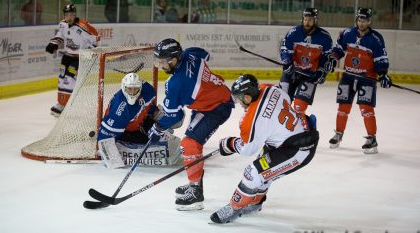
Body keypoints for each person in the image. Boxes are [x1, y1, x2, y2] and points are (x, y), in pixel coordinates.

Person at [210, 74, 319, 224]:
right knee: (263, 169)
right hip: (295, 134)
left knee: (253, 174)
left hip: (298, 149)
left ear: (247, 97)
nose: (239, 102)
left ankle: (234, 207)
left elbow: (248, 149)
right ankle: (255, 202)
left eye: (240, 98)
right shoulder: (268, 88)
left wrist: (229, 144)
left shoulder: (250, 119)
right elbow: (285, 99)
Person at [148, 38, 234, 211]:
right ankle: (195, 185)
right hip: (209, 101)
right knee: (192, 146)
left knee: (189, 144)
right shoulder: (191, 53)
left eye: (163, 61)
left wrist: (158, 128)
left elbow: (175, 116)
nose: (160, 65)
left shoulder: (177, 83)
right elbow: (205, 55)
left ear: (173, 60)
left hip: (216, 108)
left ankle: (195, 195)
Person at [326, 8, 391, 154]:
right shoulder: (347, 33)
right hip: (348, 76)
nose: (361, 23)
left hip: (367, 79)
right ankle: (338, 134)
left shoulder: (376, 38)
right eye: (360, 20)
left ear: (369, 21)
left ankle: (372, 138)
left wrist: (383, 74)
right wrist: (332, 59)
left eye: (365, 20)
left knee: (366, 109)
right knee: (343, 107)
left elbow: (381, 58)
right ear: (357, 20)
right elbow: (338, 50)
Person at [97, 73, 182, 167]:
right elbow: (105, 136)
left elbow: (146, 106)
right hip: (126, 132)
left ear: (140, 88)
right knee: (153, 148)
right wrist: (108, 155)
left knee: (166, 133)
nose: (132, 92)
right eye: (129, 89)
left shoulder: (147, 91)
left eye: (135, 89)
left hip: (141, 122)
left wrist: (158, 114)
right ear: (124, 87)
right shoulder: (120, 110)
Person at [45, 3, 99, 117]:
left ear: (74, 15)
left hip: (78, 59)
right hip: (67, 56)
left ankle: (68, 105)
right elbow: (60, 34)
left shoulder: (83, 26)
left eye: (70, 15)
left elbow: (96, 37)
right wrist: (53, 43)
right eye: (66, 15)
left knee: (69, 80)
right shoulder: (63, 24)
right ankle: (60, 104)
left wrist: (91, 51)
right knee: (61, 79)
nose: (68, 17)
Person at [279, 7, 333, 117]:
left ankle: (303, 131)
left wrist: (322, 71)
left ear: (315, 20)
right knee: (281, 104)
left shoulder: (325, 37)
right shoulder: (293, 33)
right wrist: (287, 61)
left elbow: (327, 57)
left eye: (310, 19)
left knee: (299, 107)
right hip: (291, 73)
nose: (307, 22)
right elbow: (285, 49)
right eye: (305, 19)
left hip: (310, 76)